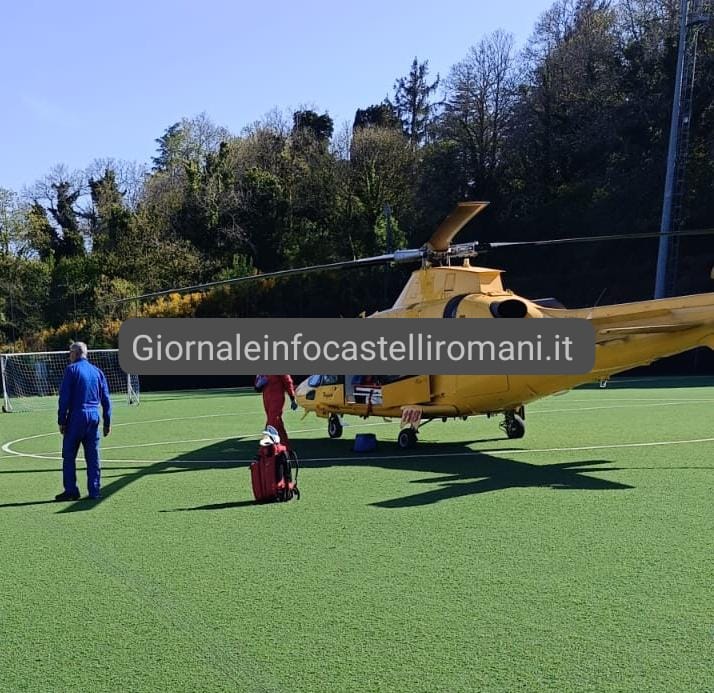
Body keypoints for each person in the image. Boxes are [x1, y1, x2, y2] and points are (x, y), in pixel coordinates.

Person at [55, 342, 112, 501]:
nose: (69, 356)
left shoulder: (71, 370)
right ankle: (95, 491)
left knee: (69, 455)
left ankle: (71, 490)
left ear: (75, 353)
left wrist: (62, 420)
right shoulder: (97, 372)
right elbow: (106, 399)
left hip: (77, 417)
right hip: (93, 416)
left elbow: (64, 398)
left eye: (70, 353)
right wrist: (107, 421)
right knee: (93, 456)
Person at [259, 374, 298, 449]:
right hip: (267, 399)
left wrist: (292, 398)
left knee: (272, 422)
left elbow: (287, 381)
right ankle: (285, 447)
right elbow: (258, 384)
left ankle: (266, 450)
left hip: (277, 399)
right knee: (278, 423)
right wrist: (258, 384)